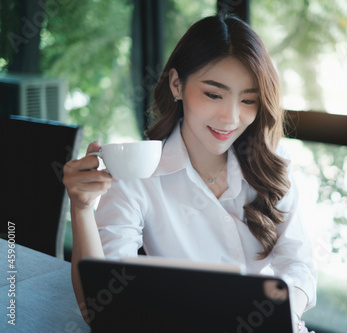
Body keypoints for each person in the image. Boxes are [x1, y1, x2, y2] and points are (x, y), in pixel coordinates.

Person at [63, 14, 317, 332]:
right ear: (176, 84)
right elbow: (101, 303)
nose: (231, 117)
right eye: (213, 94)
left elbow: (298, 264)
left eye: (249, 100)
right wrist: (83, 208)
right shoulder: (137, 174)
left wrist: (273, 313)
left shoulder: (270, 165)